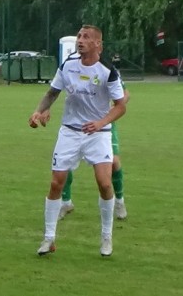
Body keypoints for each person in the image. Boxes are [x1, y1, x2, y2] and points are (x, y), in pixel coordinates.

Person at [29, 25, 126, 257]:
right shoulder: (68, 66)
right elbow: (52, 93)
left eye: (86, 37)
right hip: (70, 132)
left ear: (98, 45)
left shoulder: (107, 71)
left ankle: (106, 237)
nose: (80, 40)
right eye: (80, 36)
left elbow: (121, 106)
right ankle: (49, 238)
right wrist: (38, 111)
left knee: (104, 183)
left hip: (98, 134)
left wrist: (101, 123)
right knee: (56, 183)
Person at [59, 87, 130, 221]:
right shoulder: (72, 68)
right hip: (76, 124)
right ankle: (66, 202)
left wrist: (115, 107)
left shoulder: (107, 70)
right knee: (64, 162)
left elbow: (125, 94)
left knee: (114, 163)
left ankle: (119, 201)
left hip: (103, 125)